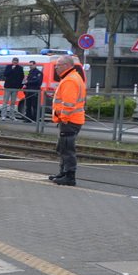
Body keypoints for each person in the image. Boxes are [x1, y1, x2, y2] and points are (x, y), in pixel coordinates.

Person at [50, 55, 86, 186]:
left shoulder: (69, 80)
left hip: (69, 121)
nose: (56, 68)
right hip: (72, 120)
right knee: (63, 147)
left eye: (58, 65)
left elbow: (69, 104)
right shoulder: (73, 77)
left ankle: (69, 176)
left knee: (67, 149)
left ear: (66, 65)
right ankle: (63, 173)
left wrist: (63, 118)